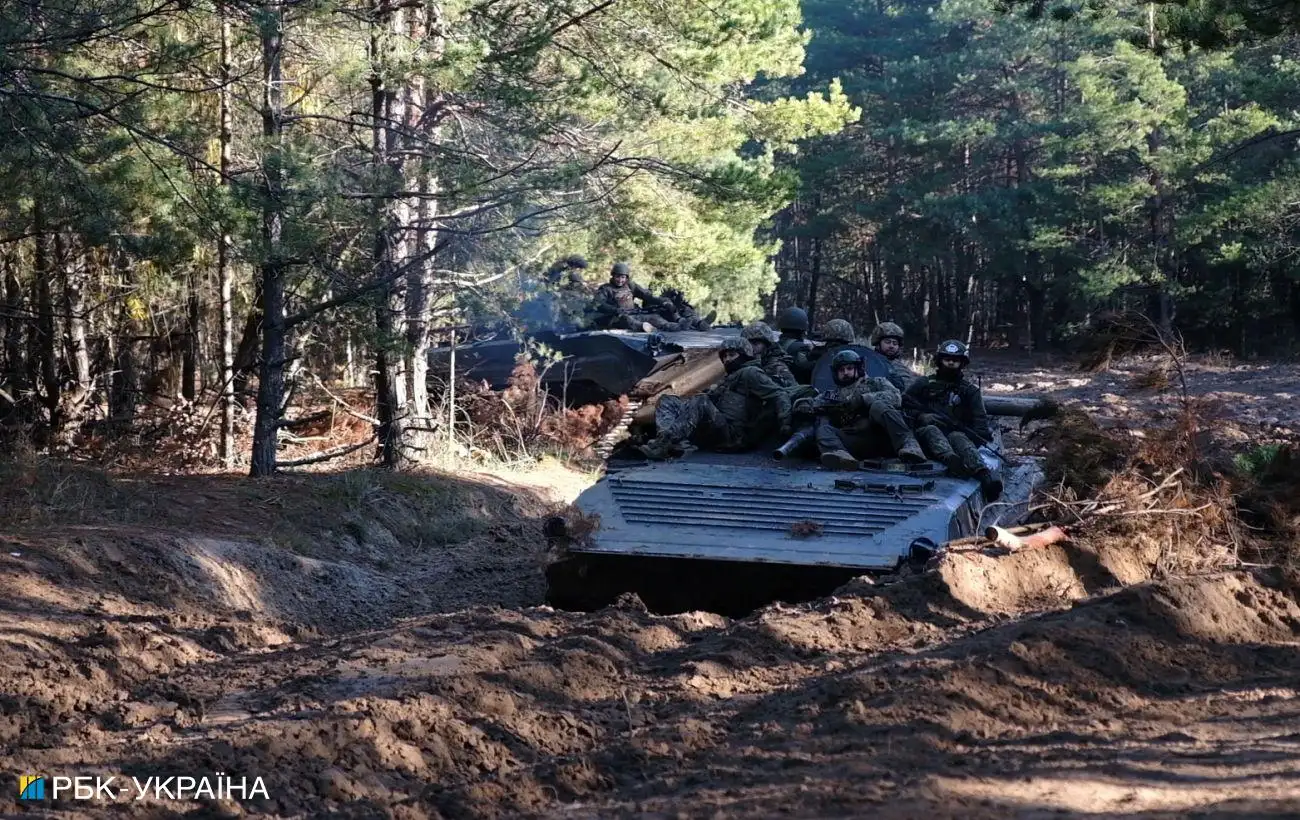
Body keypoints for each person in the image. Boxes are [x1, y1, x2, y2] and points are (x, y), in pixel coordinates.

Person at [637, 337, 792, 459]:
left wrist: (785, 422)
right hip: (719, 428)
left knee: (700, 401)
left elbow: (779, 394)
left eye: (732, 354)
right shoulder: (730, 377)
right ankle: (665, 440)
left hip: (733, 436)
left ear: (744, 355)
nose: (727, 360)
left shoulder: (751, 373)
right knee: (667, 400)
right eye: (724, 356)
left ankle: (666, 442)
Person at [904, 339, 1002, 500]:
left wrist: (973, 438)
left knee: (959, 438)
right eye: (947, 359)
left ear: (962, 363)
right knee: (931, 430)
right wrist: (922, 416)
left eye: (955, 360)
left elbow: (980, 421)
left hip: (956, 434)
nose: (950, 363)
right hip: (924, 437)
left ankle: (984, 476)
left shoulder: (969, 391)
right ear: (939, 360)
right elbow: (905, 405)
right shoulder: (924, 383)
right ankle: (952, 461)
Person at [795, 349, 925, 469]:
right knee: (823, 429)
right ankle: (841, 456)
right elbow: (813, 402)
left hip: (886, 437)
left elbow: (896, 397)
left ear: (859, 368)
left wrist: (863, 399)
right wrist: (803, 405)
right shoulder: (832, 395)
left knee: (878, 406)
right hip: (856, 441)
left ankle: (909, 445)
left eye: (849, 368)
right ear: (835, 373)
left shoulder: (876, 383)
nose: (845, 373)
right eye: (841, 370)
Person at [590, 262, 678, 332]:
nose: (620, 280)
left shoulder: (631, 286)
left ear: (626, 278)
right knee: (626, 320)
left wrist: (663, 301)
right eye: (617, 277)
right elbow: (598, 303)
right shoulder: (606, 289)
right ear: (613, 276)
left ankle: (671, 326)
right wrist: (615, 310)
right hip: (616, 318)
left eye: (623, 277)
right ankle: (643, 327)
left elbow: (647, 296)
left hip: (634, 314)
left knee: (653, 317)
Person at [740, 322, 797, 387]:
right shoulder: (745, 361)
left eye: (756, 344)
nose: (751, 348)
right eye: (748, 344)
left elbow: (794, 391)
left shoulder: (777, 367)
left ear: (767, 345)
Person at [870, 321, 919, 391]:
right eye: (887, 342)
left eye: (895, 343)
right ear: (878, 344)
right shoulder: (869, 363)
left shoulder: (901, 366)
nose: (891, 346)